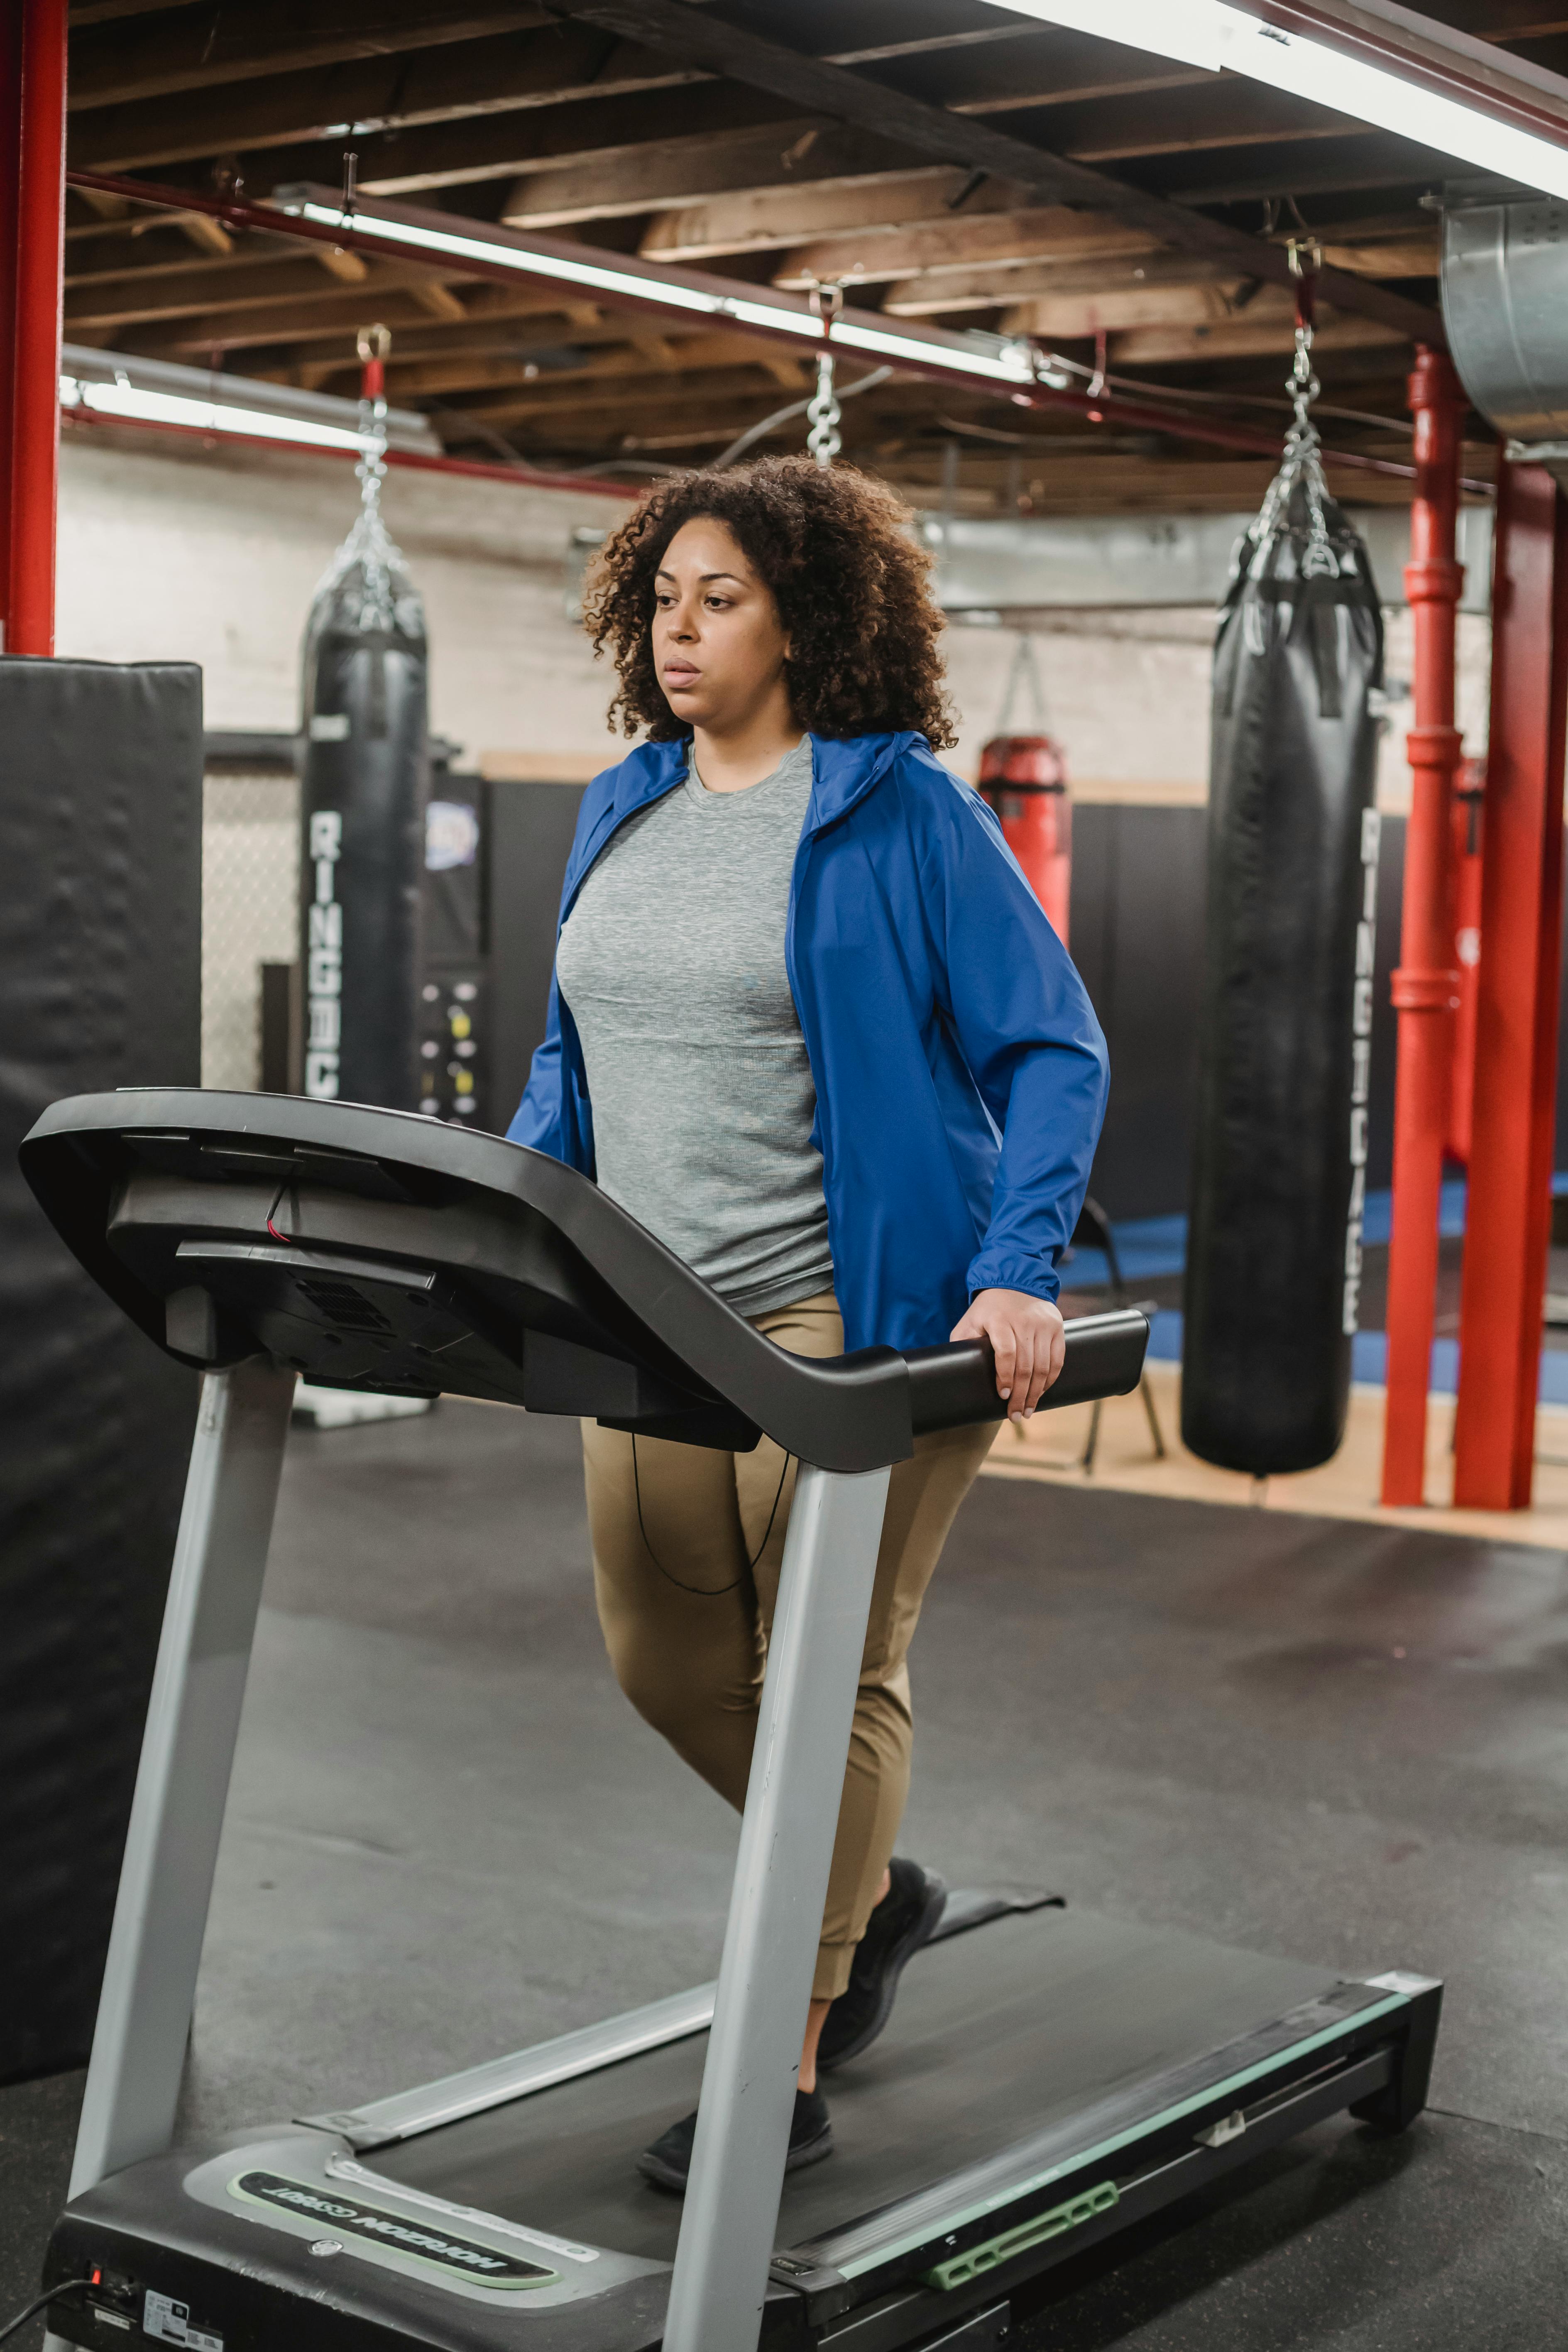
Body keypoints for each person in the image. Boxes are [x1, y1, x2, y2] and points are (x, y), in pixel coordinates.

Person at [510, 455, 1108, 2190]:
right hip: (654, 1316)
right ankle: (877, 1888)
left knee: (823, 1679)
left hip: (856, 1317)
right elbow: (573, 1060)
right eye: (663, 599)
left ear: (804, 621)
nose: (679, 629)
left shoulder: (905, 813)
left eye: (722, 599)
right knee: (666, 1661)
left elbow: (1050, 1046)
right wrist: (498, 1226)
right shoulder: (621, 802)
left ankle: (783, 2053)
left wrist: (1019, 1264)